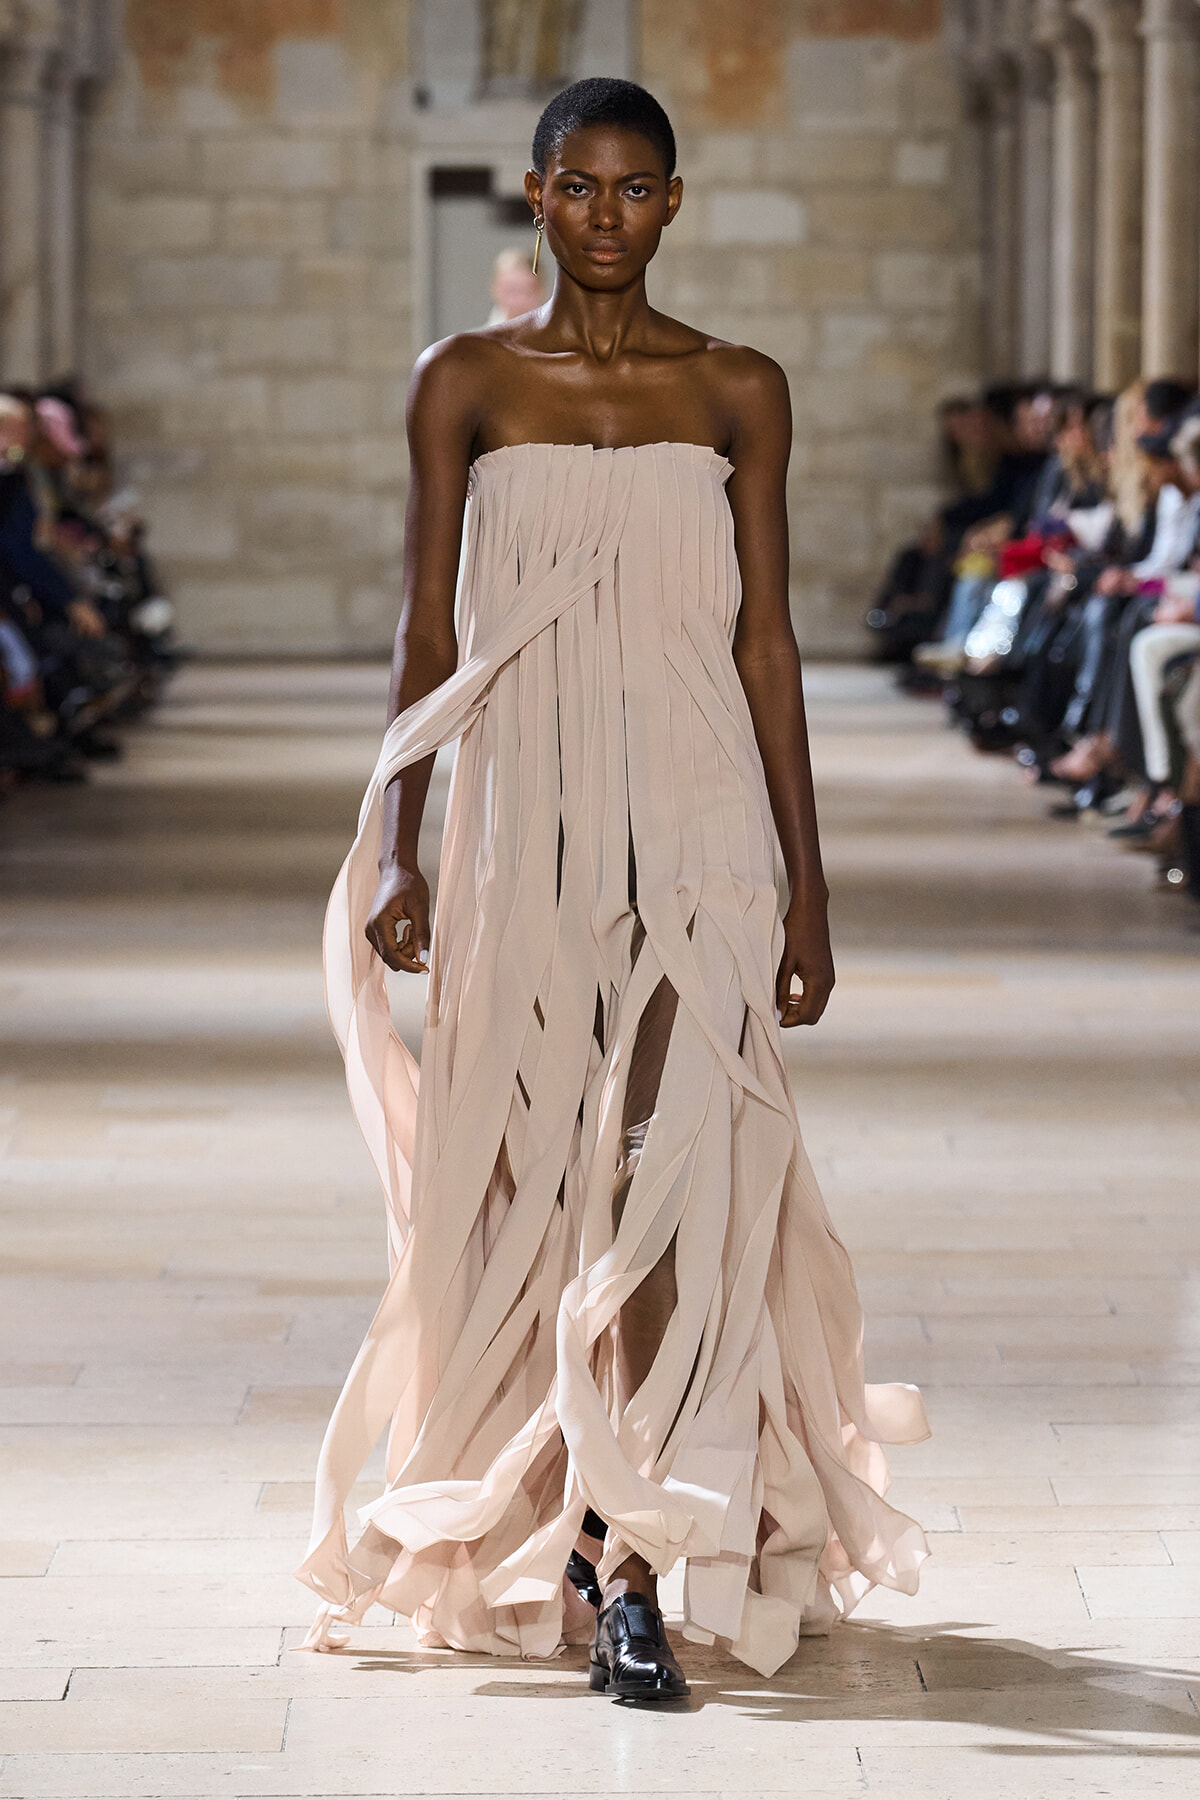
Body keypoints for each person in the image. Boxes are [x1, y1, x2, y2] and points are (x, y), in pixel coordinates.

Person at [297, 76, 929, 1703]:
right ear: (532, 196)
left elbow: (767, 643)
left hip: (700, 814)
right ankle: (555, 1508)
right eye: (574, 186)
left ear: (672, 203)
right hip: (524, 821)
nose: (601, 214)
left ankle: (634, 1552)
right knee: (529, 1184)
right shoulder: (464, 384)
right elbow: (426, 633)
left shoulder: (737, 389)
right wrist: (404, 839)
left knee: (672, 1175)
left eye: (631, 188)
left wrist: (808, 891)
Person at [485, 247, 545, 324]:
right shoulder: (475, 335)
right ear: (494, 289)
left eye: (524, 292)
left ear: (539, 290)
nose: (517, 302)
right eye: (509, 291)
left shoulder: (559, 334)